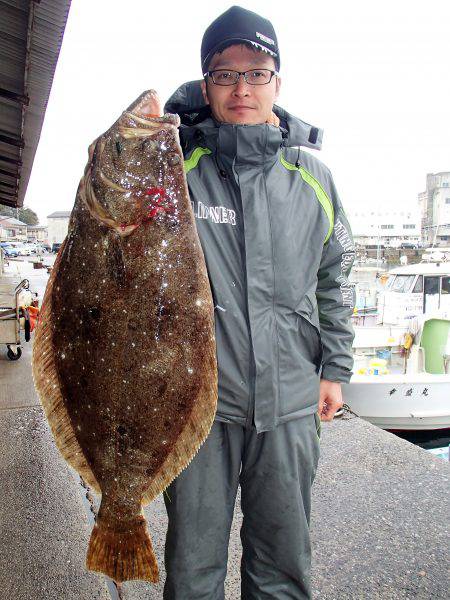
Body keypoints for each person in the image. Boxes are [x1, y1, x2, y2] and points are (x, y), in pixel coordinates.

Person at [161, 6, 355, 599]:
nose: (241, 89)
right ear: (205, 83)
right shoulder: (175, 172)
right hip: (198, 408)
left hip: (291, 400)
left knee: (283, 565)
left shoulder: (314, 177)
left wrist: (335, 371)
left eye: (257, 72)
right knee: (192, 569)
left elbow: (336, 276)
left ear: (278, 80)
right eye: (225, 74)